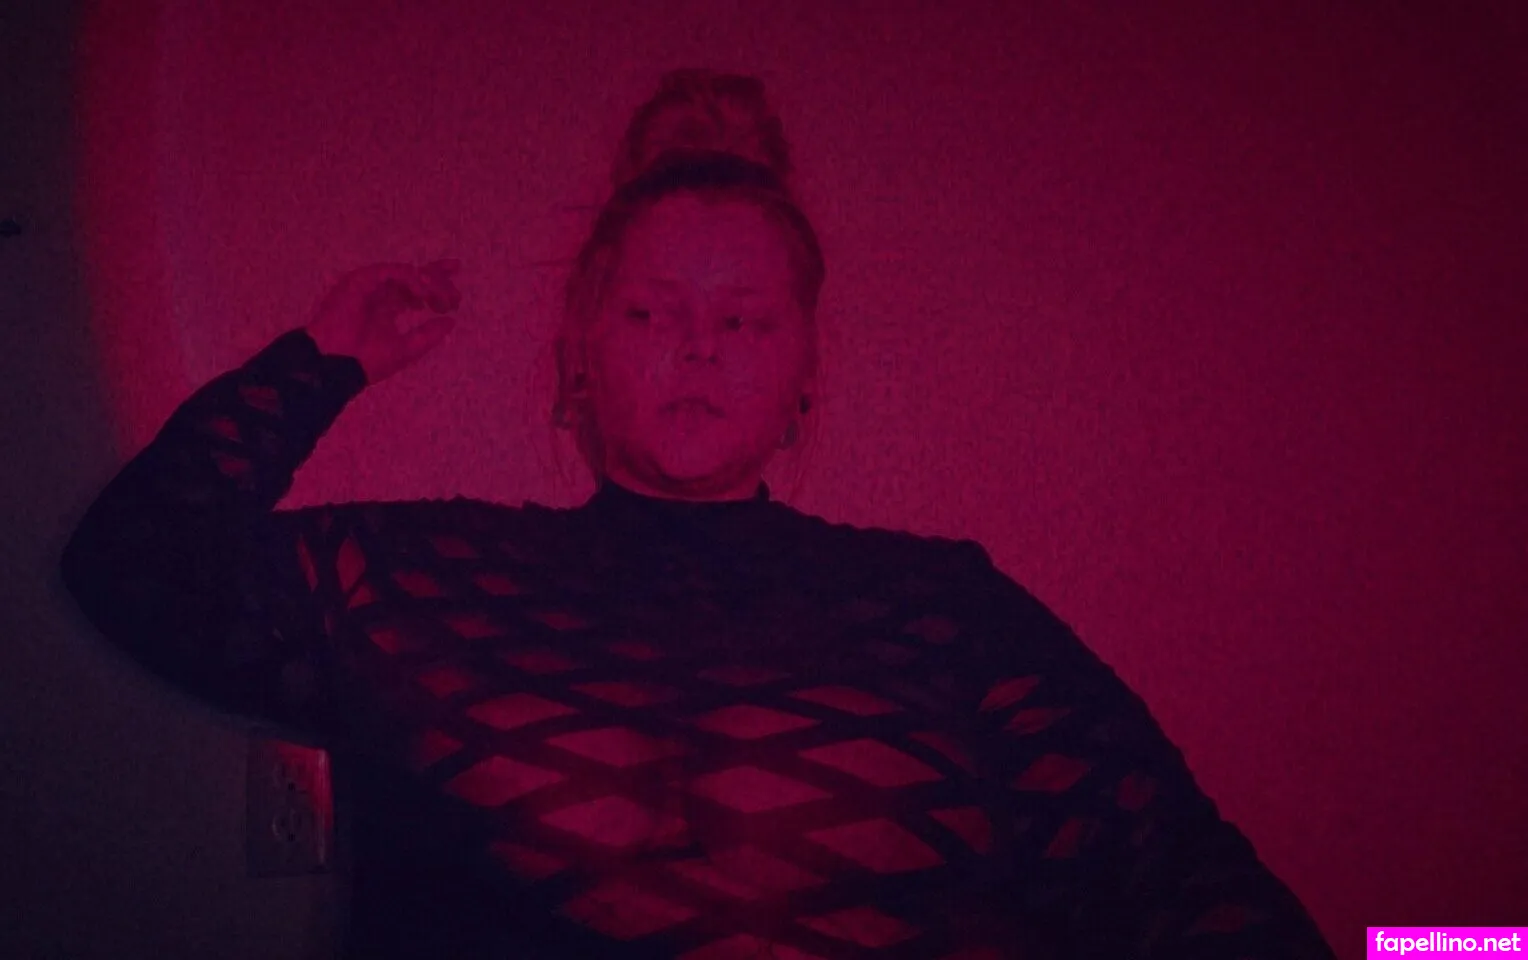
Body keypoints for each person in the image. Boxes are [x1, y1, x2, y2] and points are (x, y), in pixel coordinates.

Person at [60, 69, 1335, 959]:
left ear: (804, 375)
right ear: (580, 354)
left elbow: (1199, 897)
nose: (698, 346)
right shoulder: (422, 576)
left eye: (744, 318)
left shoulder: (946, 611)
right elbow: (132, 565)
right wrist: (325, 357)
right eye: (650, 311)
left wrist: (1443, 941)